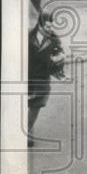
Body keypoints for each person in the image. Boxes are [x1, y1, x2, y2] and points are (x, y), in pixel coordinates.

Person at [27, 8, 67, 147]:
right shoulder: (27, 37)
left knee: (36, 105)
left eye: (53, 26)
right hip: (27, 76)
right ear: (40, 25)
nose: (51, 29)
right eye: (48, 27)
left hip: (42, 77)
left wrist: (59, 57)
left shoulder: (54, 39)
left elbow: (59, 51)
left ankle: (27, 131)